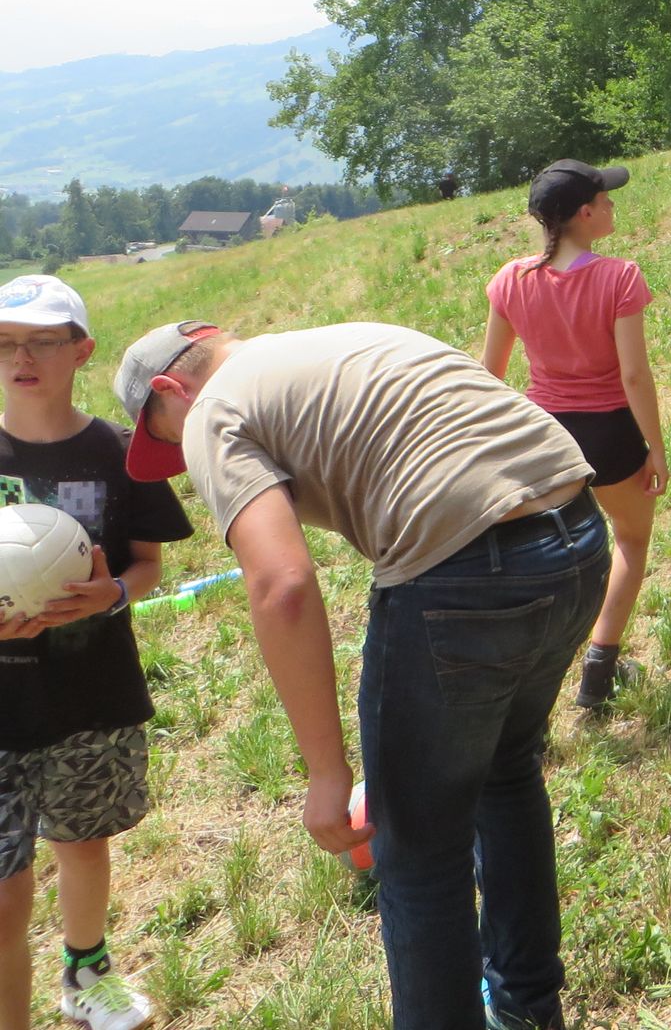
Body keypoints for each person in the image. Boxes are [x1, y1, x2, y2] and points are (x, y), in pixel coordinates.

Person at [114, 318, 606, 1030]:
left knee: (417, 852)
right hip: (579, 536)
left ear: (170, 388)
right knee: (505, 773)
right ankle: (528, 1009)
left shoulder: (212, 408)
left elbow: (281, 584)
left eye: (166, 436)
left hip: (465, 574)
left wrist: (325, 772)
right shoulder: (345, 340)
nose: (184, 460)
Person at [0, 276, 191, 1030]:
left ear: (81, 351)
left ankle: (86, 974)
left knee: (82, 842)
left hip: (90, 694)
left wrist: (109, 596)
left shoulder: (118, 451)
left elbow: (147, 563)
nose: (22, 358)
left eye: (43, 341)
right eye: (5, 343)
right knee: (5, 895)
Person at [482, 158, 666, 710]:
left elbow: (490, 374)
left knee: (558, 556)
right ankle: (599, 668)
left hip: (546, 438)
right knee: (630, 541)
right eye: (605, 199)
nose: (612, 205)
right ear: (585, 213)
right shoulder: (620, 277)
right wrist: (655, 448)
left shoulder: (510, 280)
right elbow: (634, 376)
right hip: (610, 435)